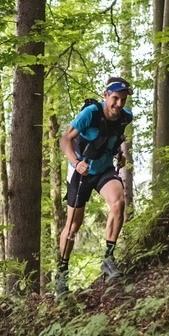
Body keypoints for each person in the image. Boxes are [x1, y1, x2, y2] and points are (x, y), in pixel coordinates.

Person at [55, 76, 133, 296]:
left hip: (104, 169)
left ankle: (108, 258)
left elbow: (115, 138)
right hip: (81, 171)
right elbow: (65, 140)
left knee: (118, 202)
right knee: (73, 225)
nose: (119, 103)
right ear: (106, 96)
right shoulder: (90, 113)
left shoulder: (125, 117)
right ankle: (62, 274)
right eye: (115, 98)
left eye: (123, 99)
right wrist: (76, 162)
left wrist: (119, 154)